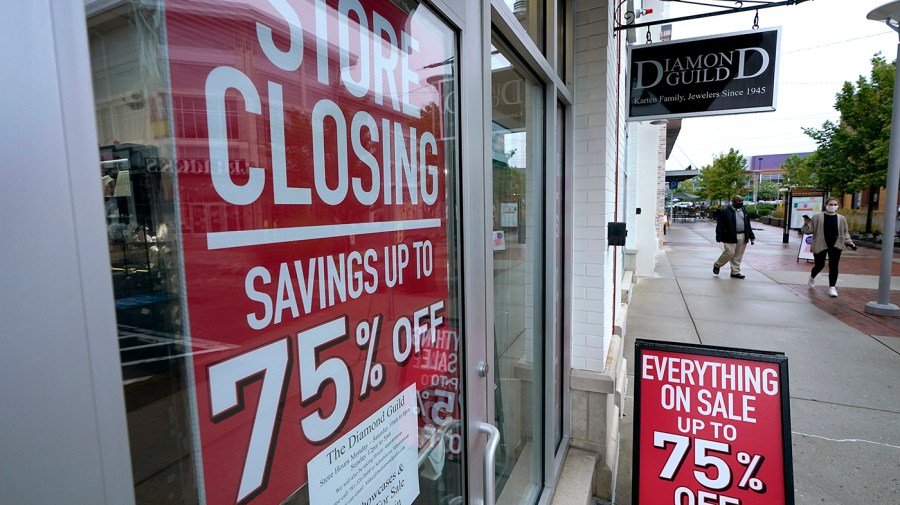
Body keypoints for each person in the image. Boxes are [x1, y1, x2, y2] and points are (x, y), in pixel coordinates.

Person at [802, 197, 857, 297]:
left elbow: (845, 233)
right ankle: (812, 277)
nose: (832, 206)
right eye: (830, 204)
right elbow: (808, 231)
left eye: (835, 205)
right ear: (826, 205)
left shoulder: (841, 218)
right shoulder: (817, 217)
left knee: (834, 266)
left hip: (836, 244)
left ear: (838, 206)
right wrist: (806, 224)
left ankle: (832, 287)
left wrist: (850, 243)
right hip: (820, 244)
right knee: (819, 265)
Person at [713, 195, 755, 279]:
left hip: (742, 234)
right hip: (730, 235)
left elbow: (748, 225)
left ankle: (735, 272)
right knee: (730, 252)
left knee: (738, 255)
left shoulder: (744, 211)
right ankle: (717, 265)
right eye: (738, 202)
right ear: (733, 202)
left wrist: (751, 236)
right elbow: (720, 225)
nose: (740, 203)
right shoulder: (726, 211)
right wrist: (719, 236)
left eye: (741, 202)